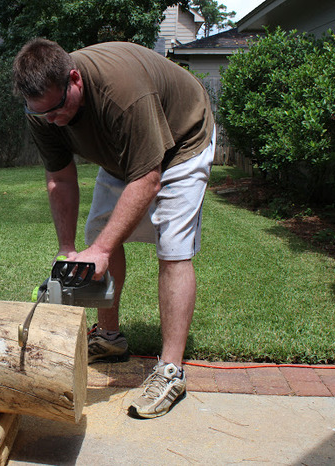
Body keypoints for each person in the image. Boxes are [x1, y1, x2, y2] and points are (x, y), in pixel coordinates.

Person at [12, 38, 215, 419]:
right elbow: (59, 177)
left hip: (183, 139)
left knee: (172, 248)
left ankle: (171, 371)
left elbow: (149, 179)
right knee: (98, 235)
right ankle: (109, 339)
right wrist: (68, 250)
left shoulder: (122, 94)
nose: (52, 120)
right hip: (124, 152)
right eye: (42, 114)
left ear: (74, 79)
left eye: (57, 110)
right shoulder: (42, 108)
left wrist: (103, 251)